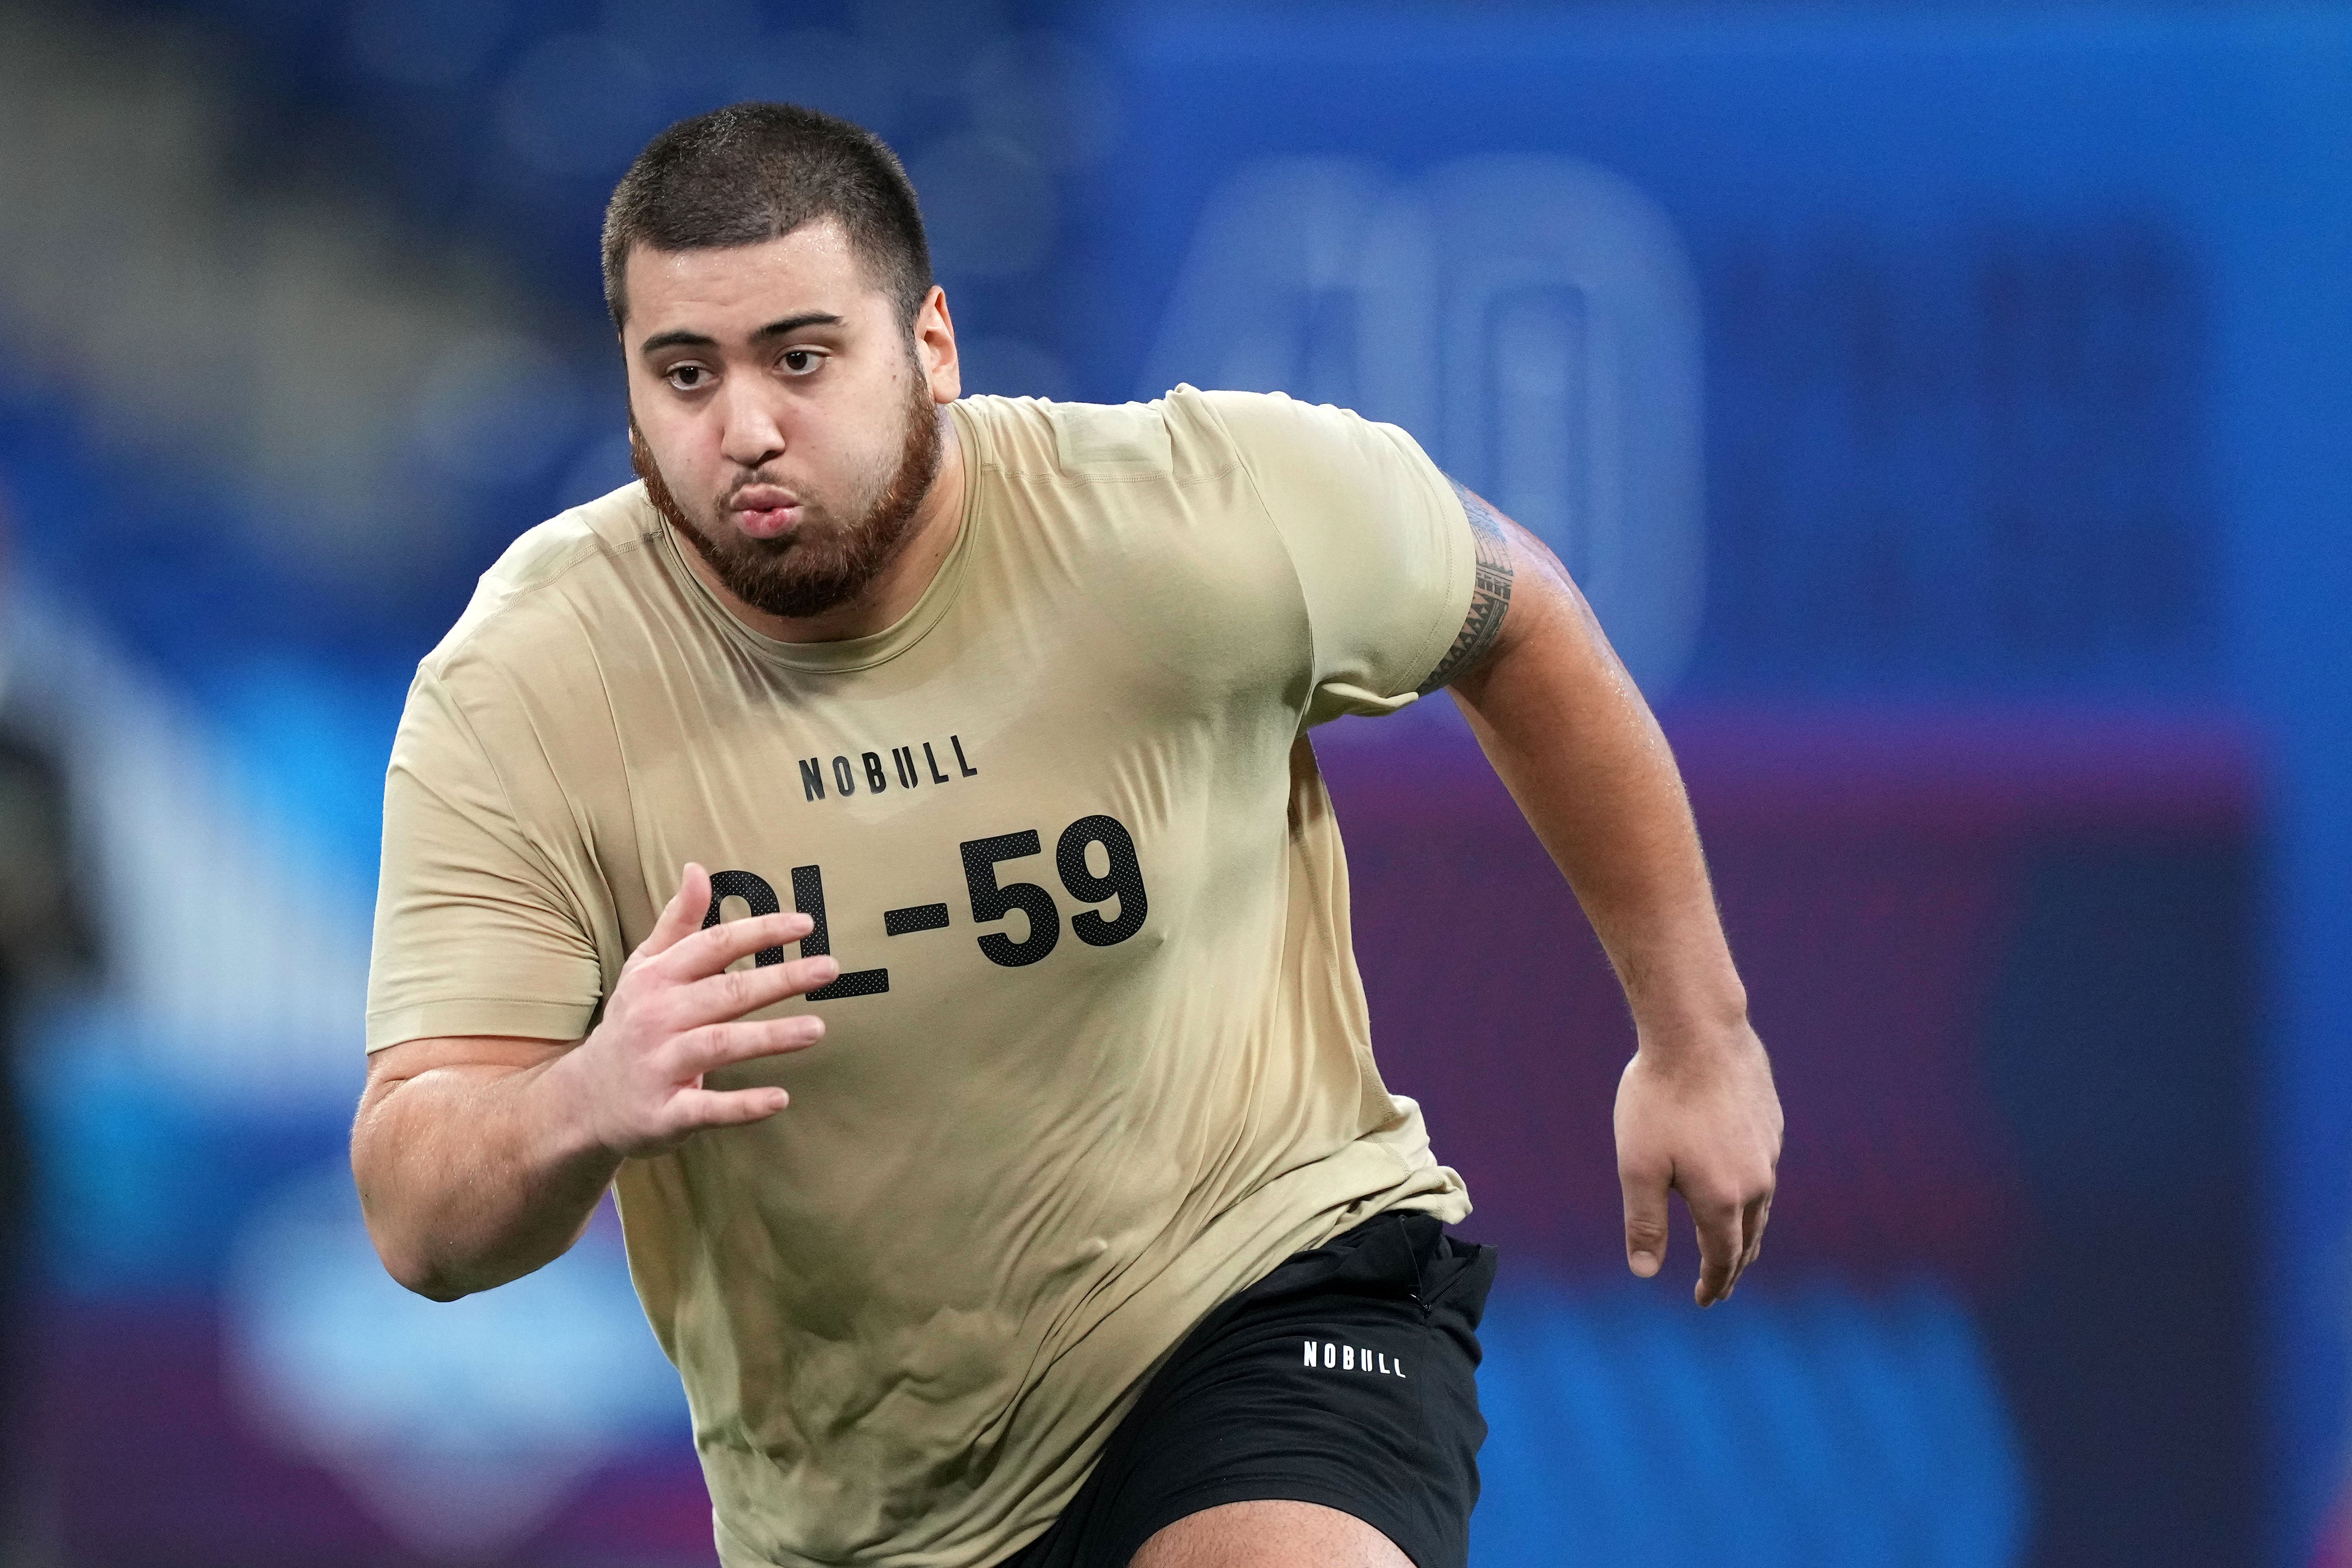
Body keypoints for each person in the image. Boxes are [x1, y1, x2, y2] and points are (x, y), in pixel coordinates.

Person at [352, 103, 1780, 1568]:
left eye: (800, 356)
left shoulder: (1182, 518)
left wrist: (1698, 1036)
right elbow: (420, 1216)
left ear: (931, 347)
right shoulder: (528, 683)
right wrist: (583, 1098)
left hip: (1260, 1291)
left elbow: (1516, 611)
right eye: (685, 374)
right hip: (867, 1510)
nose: (749, 428)